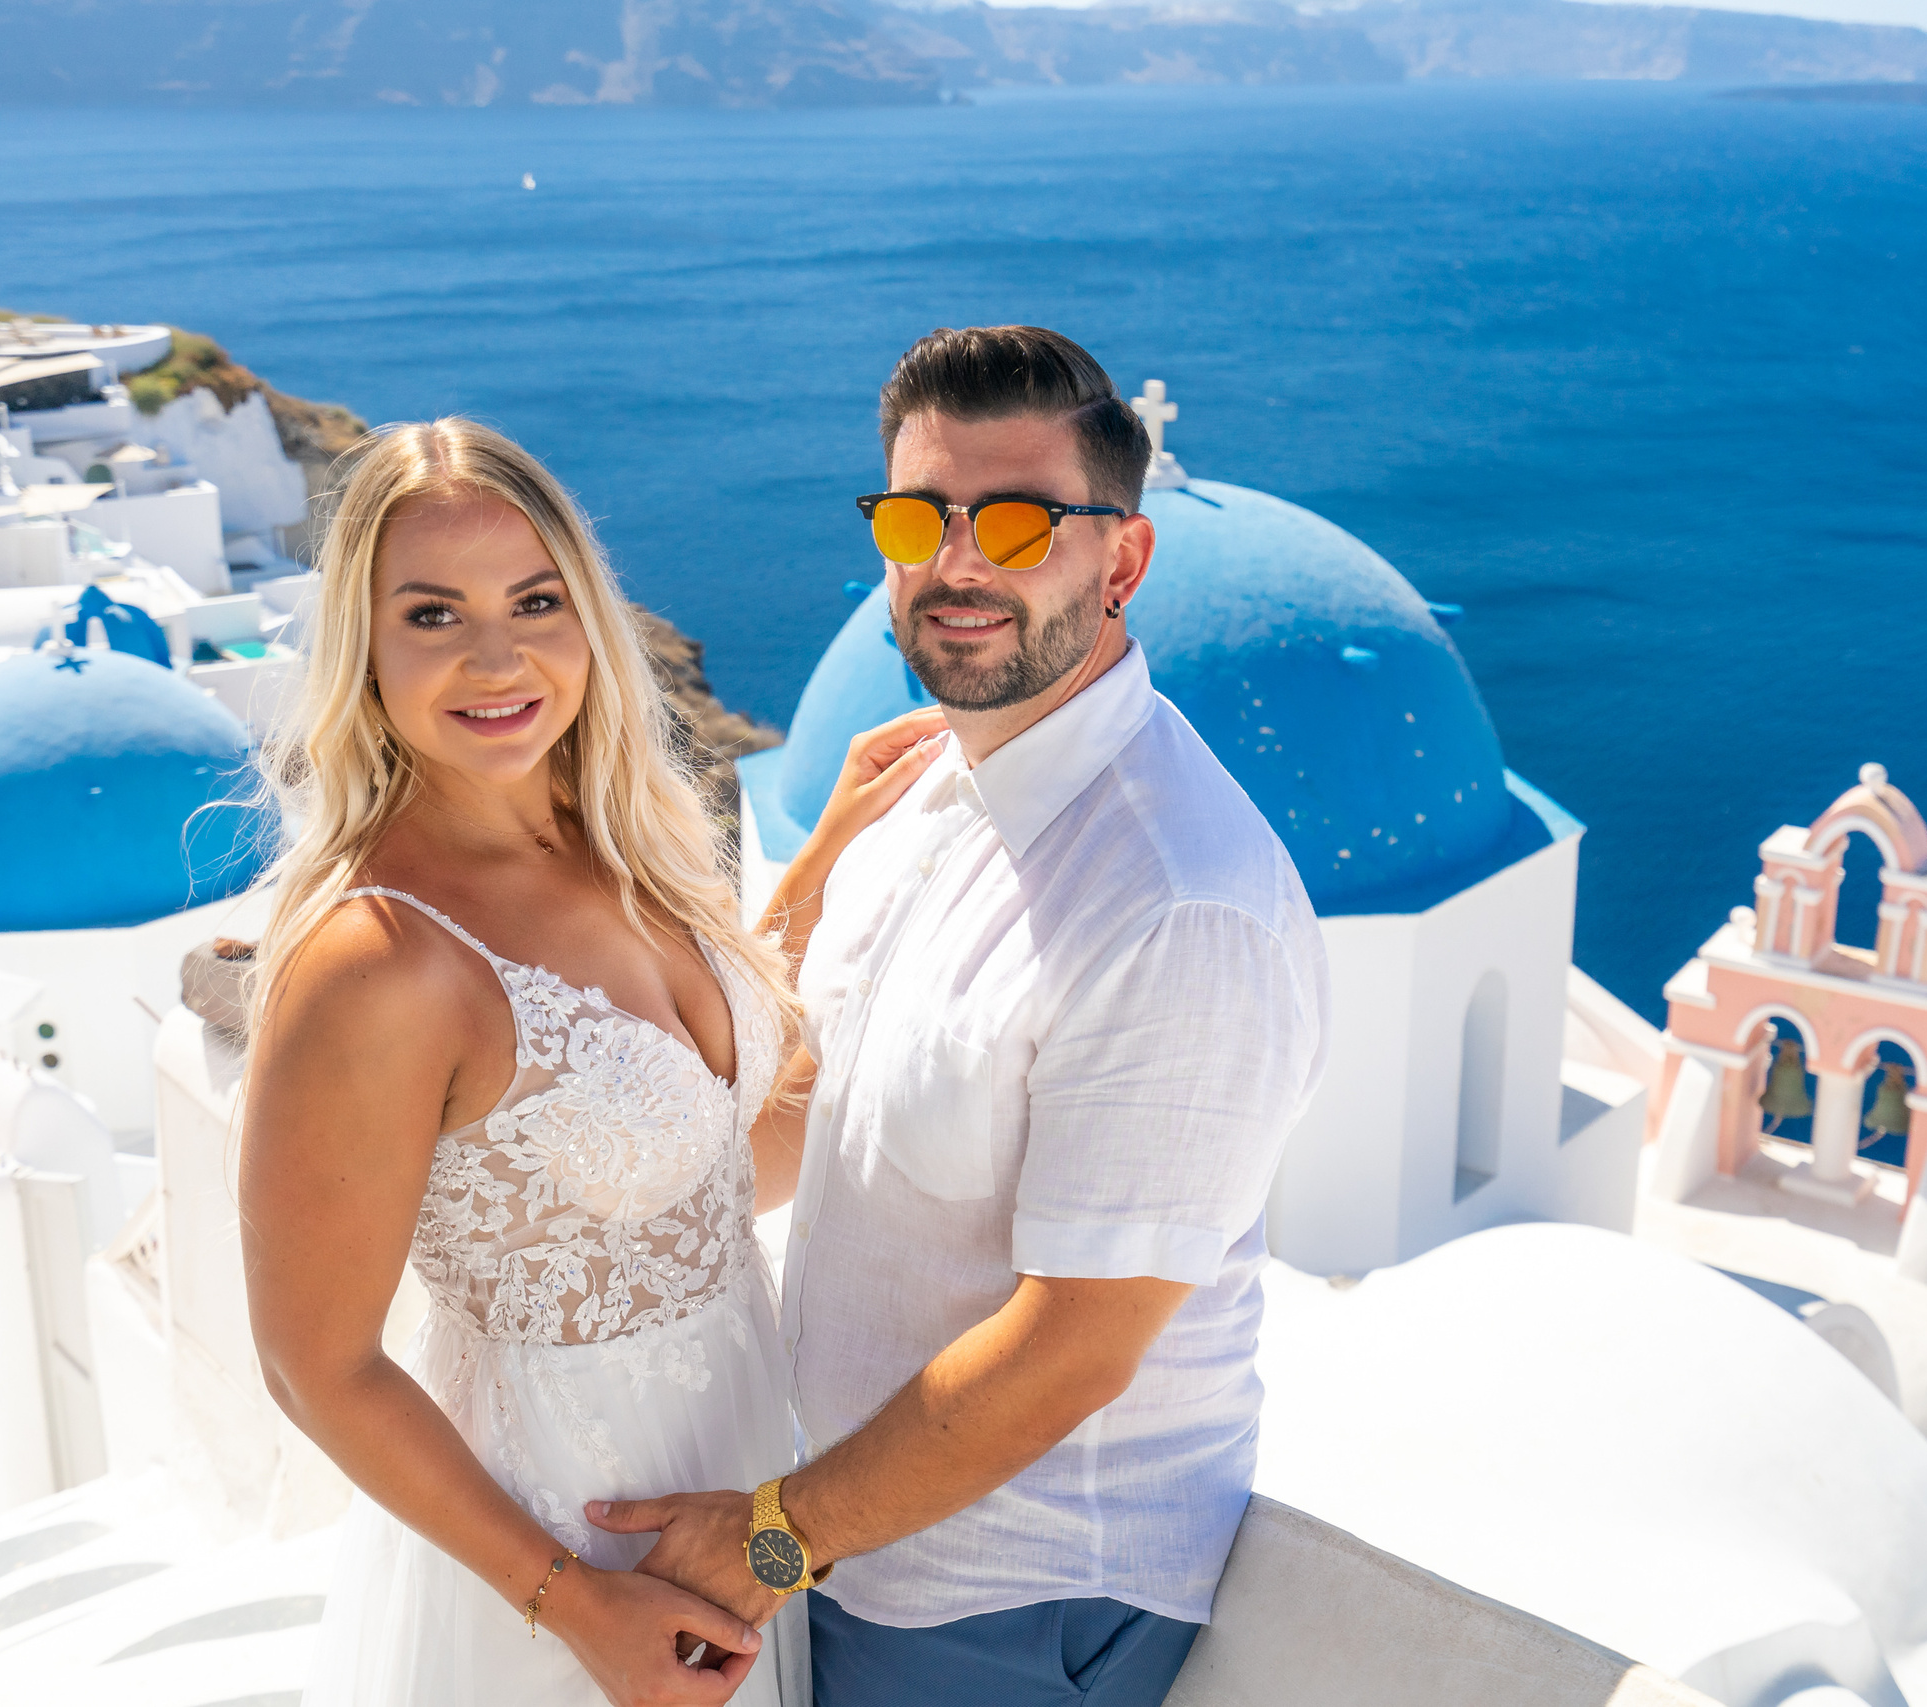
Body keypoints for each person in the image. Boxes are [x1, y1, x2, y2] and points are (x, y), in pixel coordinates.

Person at [588, 327, 1331, 1707]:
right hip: (842, 1541)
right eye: (918, 519)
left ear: (1123, 562)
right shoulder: (927, 789)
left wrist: (769, 1538)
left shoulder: (1178, 903)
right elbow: (817, 1116)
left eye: (1019, 523)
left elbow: (1072, 1349)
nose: (959, 562)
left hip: (1004, 1604)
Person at [239, 418, 943, 1706]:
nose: (497, 658)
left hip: (737, 1495)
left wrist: (828, 857)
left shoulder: (621, 845)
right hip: (555, 1552)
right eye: (434, 615)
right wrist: (575, 1606)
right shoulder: (380, 959)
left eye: (535, 601)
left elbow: (713, 1162)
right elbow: (315, 1366)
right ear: (364, 648)